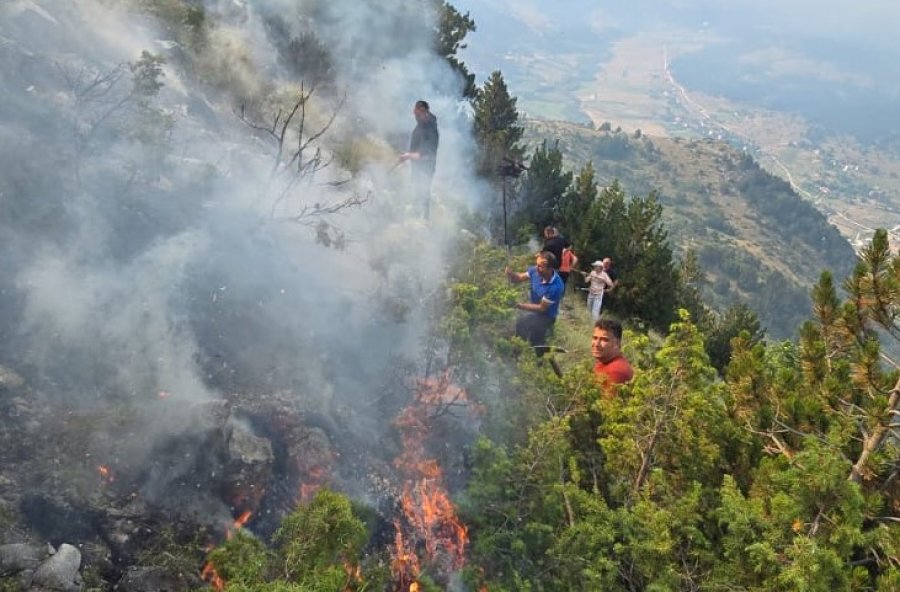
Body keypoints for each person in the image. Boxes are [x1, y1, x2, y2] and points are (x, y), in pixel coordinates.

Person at [506, 251, 565, 352]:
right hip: (535, 312)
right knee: (523, 324)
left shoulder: (556, 286)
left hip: (547, 316)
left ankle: (526, 354)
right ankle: (519, 350)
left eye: (540, 266)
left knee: (534, 336)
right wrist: (511, 275)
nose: (536, 269)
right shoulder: (535, 271)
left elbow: (541, 308)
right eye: (537, 265)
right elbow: (519, 278)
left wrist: (519, 305)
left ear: (550, 268)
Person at [398, 100, 439, 219]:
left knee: (423, 193)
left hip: (426, 169)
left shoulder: (431, 129)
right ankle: (416, 218)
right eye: (414, 113)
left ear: (424, 111)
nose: (415, 116)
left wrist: (407, 156)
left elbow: (427, 153)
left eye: (417, 113)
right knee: (417, 193)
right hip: (418, 168)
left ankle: (423, 222)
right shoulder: (421, 125)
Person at [592, 318, 633, 389]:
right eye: (595, 338)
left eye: (604, 339)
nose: (596, 344)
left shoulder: (616, 371)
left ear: (616, 343)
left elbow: (605, 399)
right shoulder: (604, 362)